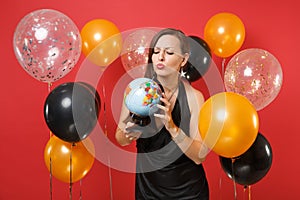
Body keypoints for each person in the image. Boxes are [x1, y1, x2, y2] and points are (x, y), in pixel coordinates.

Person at [115, 28, 209, 199]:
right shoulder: (136, 92)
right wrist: (129, 134)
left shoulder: (194, 97)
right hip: (148, 190)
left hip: (188, 192)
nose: (161, 57)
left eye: (169, 52)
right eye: (156, 52)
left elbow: (199, 156)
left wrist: (172, 128)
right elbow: (120, 137)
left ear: (183, 59)